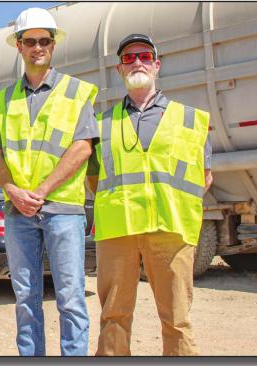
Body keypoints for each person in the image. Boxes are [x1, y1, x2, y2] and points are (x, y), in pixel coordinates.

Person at [87, 34, 212, 356]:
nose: (137, 62)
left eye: (143, 56)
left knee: (177, 319)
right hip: (118, 230)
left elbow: (204, 177)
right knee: (113, 316)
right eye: (128, 58)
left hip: (171, 228)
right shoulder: (102, 124)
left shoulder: (190, 120)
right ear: (119, 69)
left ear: (156, 64)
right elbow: (93, 178)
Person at [0, 8, 99, 356]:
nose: (38, 47)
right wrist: (11, 190)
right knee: (25, 298)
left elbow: (82, 147)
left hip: (63, 210)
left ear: (53, 46)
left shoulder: (77, 92)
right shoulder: (4, 100)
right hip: (18, 212)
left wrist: (39, 192)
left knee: (70, 297)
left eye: (45, 41)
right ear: (19, 46)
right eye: (30, 41)